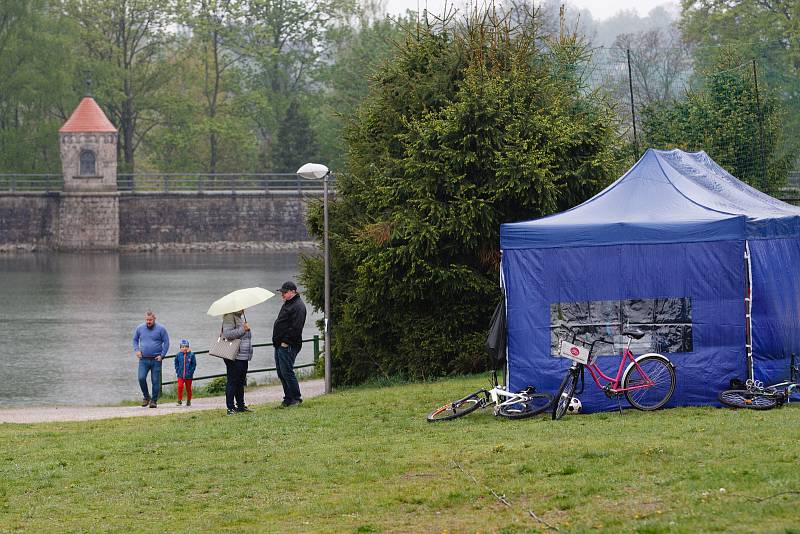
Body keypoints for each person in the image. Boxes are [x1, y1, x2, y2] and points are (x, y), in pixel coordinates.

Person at [272, 281, 307, 407]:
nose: (282, 295)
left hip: (288, 345)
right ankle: (288, 398)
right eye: (282, 292)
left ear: (293, 291)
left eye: (285, 292)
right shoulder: (288, 303)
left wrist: (286, 342)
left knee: (287, 371)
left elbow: (296, 327)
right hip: (279, 344)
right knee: (281, 372)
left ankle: (296, 398)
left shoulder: (298, 306)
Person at [132, 309, 170, 408]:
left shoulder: (161, 329)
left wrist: (162, 355)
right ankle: (146, 397)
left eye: (150, 320)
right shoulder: (139, 328)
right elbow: (135, 340)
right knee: (141, 378)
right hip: (143, 359)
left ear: (154, 319)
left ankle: (154, 401)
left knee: (155, 380)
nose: (148, 322)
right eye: (147, 320)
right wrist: (137, 350)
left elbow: (166, 343)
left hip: (156, 360)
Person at [222, 310, 253, 415]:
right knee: (232, 381)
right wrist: (243, 329)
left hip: (243, 355)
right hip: (234, 355)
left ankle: (241, 405)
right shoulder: (229, 317)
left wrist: (245, 329)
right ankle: (230, 408)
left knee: (240, 381)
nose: (243, 308)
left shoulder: (241, 317)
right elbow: (228, 334)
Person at [174, 339, 196, 406]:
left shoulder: (191, 355)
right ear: (180, 348)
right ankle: (179, 400)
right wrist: (177, 370)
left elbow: (193, 364)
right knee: (180, 387)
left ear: (188, 347)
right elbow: (176, 363)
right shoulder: (178, 355)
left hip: (188, 376)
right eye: (182, 347)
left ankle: (188, 400)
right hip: (180, 375)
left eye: (186, 346)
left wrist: (191, 372)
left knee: (188, 388)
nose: (184, 348)